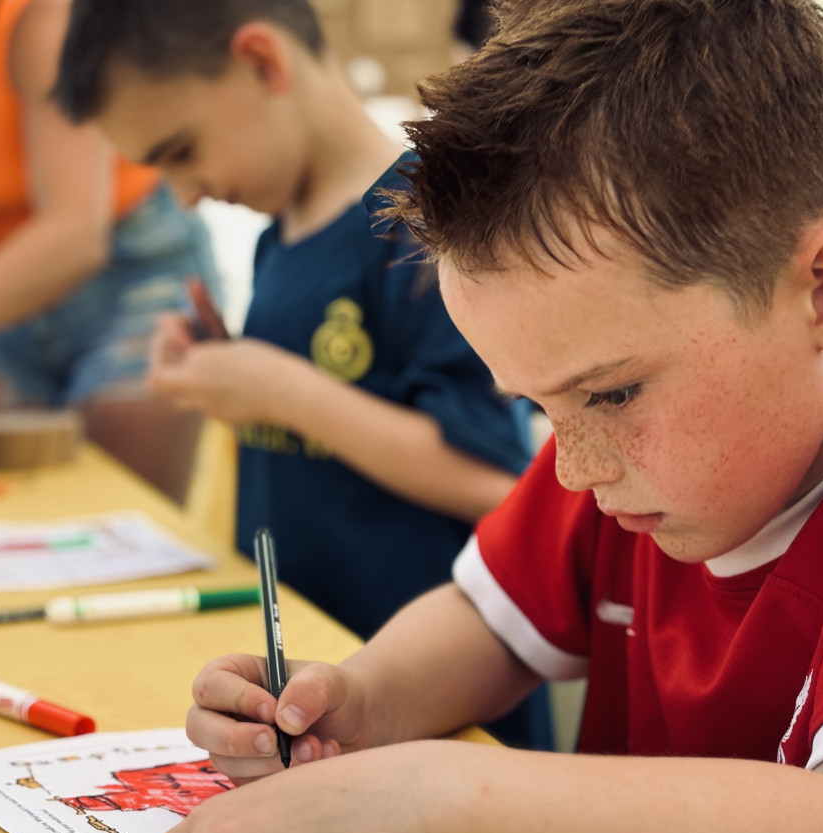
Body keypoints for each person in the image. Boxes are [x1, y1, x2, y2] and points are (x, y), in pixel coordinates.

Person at [61, 0, 823, 833]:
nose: (570, 466)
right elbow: (487, 621)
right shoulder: (629, 451)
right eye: (537, 405)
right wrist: (355, 705)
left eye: (610, 393)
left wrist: (431, 801)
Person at [52, 0, 548, 749]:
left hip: (434, 706)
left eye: (182, 151)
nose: (184, 193)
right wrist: (226, 374)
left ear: (262, 62)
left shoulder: (424, 226)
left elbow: (497, 479)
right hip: (317, 689)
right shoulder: (278, 237)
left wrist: (281, 391)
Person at [0, 0, 220, 504]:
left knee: (129, 515)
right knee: (0, 512)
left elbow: (75, 236)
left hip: (132, 269)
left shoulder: (41, 20)